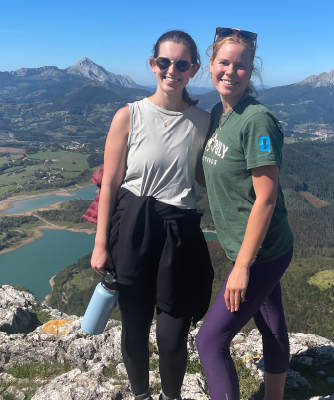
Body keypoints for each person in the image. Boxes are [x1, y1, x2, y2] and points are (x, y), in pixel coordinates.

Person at [90, 30, 214, 400]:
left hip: (180, 232)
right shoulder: (128, 116)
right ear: (153, 64)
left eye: (181, 64)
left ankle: (170, 397)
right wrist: (100, 244)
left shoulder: (205, 122)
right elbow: (110, 184)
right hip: (132, 227)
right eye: (165, 62)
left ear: (192, 70)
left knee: (172, 335)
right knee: (134, 326)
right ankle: (142, 395)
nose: (171, 70)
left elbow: (207, 178)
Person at [196, 28, 294, 400]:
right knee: (270, 324)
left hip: (261, 254)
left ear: (251, 72)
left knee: (210, 341)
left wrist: (242, 267)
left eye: (240, 66)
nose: (230, 71)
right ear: (210, 65)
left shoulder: (257, 120)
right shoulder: (219, 114)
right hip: (252, 251)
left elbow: (265, 199)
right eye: (224, 63)